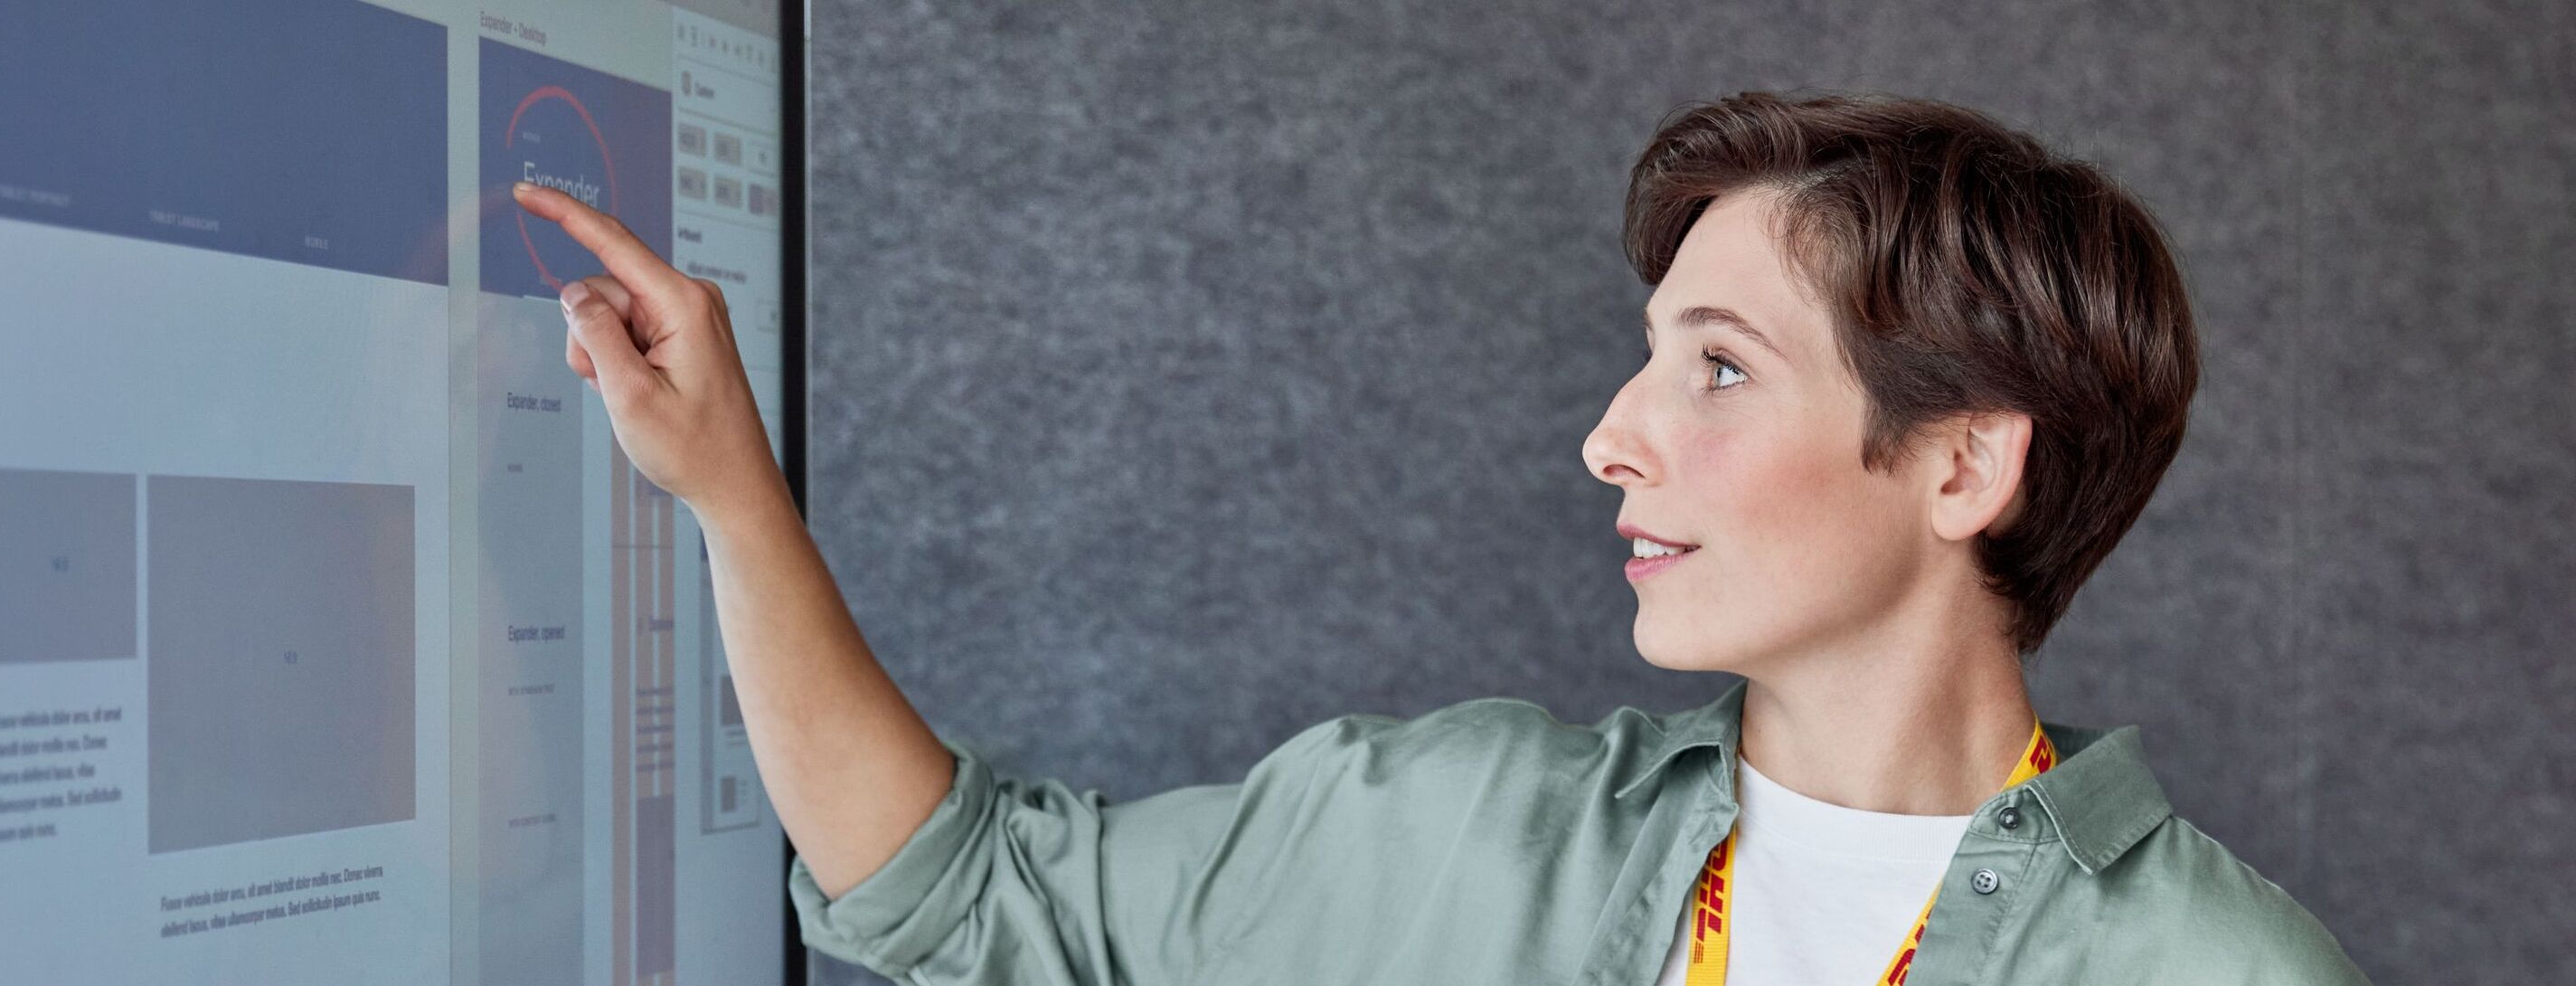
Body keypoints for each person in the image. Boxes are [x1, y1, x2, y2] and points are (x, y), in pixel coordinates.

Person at [508, 90, 2367, 985]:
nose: (1610, 435)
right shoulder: (1444, 830)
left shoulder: (2224, 975)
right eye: (1646, 360)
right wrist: (732, 501)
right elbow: (968, 886)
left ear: (1960, 468)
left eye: (1714, 370)